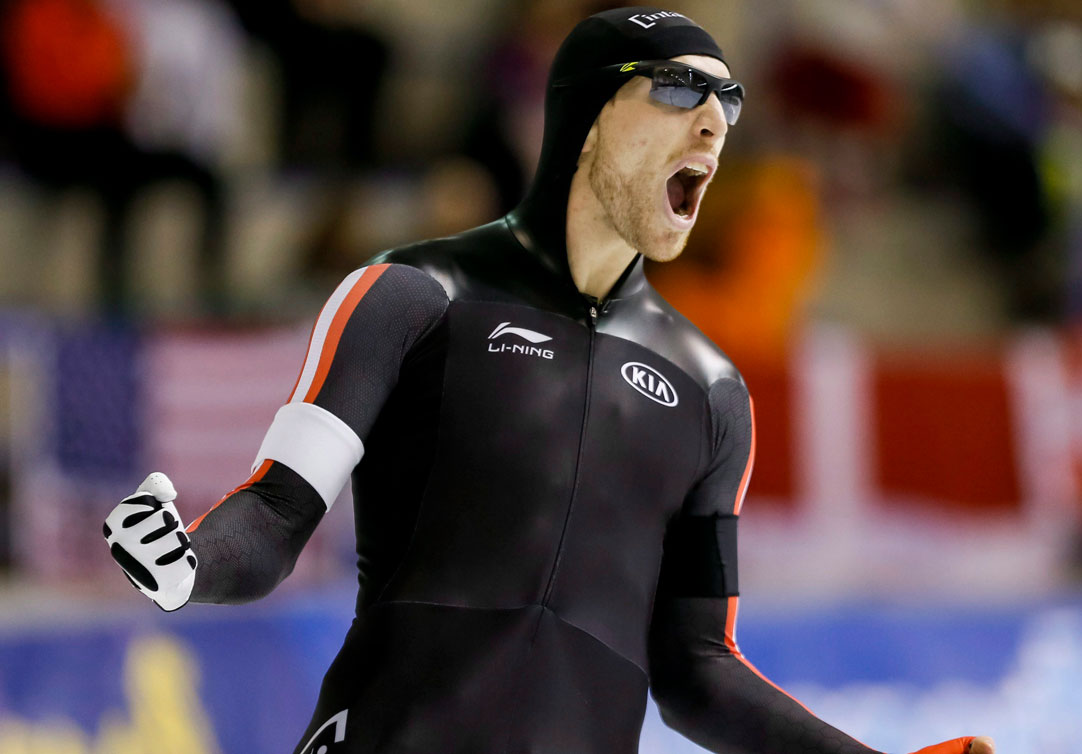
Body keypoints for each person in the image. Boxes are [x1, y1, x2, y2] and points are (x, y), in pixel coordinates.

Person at [102, 7, 997, 754]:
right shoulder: (413, 295)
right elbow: (275, 516)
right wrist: (188, 565)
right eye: (680, 90)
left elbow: (697, 669)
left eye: (727, 98)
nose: (715, 120)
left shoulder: (712, 392)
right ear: (587, 114)